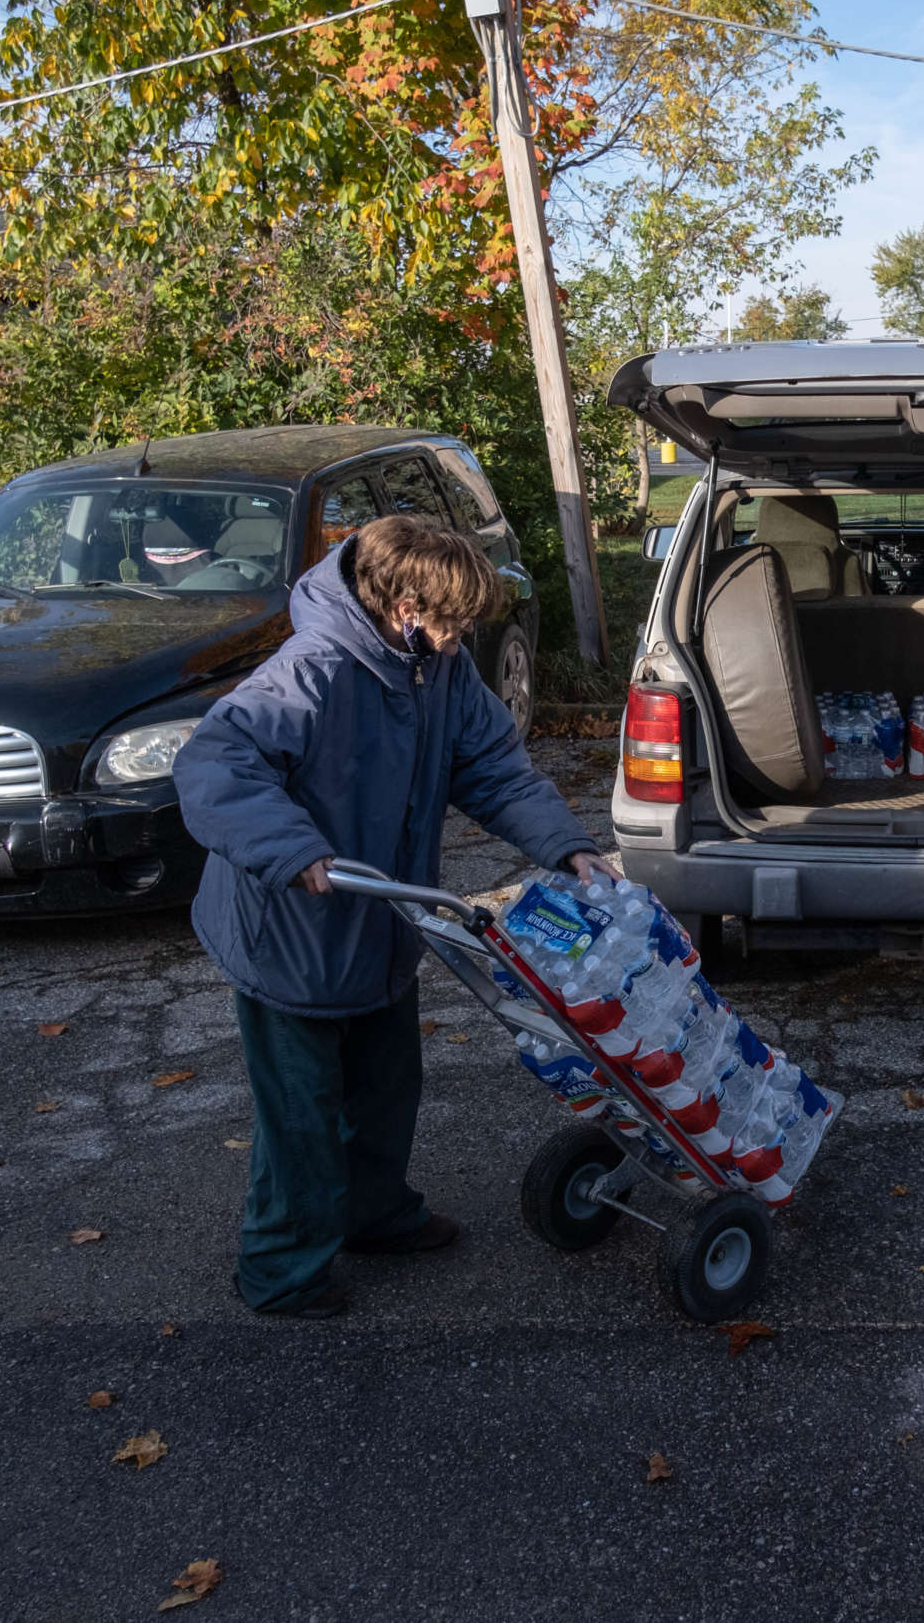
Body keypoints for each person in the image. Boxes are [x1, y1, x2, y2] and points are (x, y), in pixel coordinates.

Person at [176, 514, 610, 1319]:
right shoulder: (313, 670)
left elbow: (495, 769)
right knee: (302, 1114)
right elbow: (213, 762)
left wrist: (568, 848)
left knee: (387, 1087)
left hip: (382, 917)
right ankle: (279, 1269)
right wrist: (290, 846)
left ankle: (373, 1216)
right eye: (456, 622)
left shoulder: (436, 671)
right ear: (406, 607)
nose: (464, 637)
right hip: (294, 935)